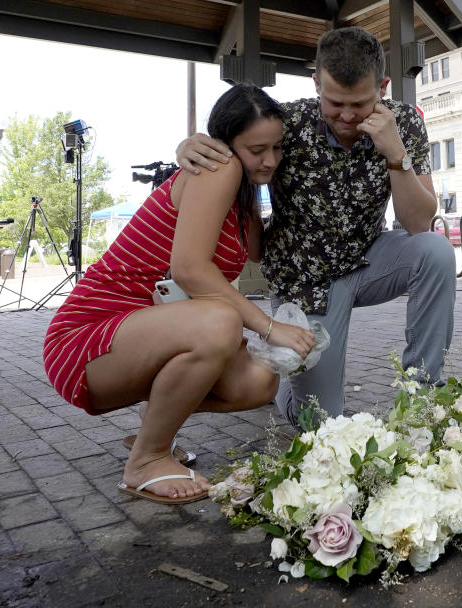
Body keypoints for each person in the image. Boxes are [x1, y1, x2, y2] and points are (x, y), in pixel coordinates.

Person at [42, 84, 316, 504]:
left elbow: (260, 251)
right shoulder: (218, 168)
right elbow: (190, 269)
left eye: (278, 147)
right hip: (87, 337)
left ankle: (153, 424)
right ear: (224, 145)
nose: (271, 160)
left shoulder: (244, 196)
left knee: (260, 380)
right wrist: (268, 326)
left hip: (145, 334)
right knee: (220, 322)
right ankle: (147, 460)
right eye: (257, 149)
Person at [177, 26, 455, 427]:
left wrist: (396, 155)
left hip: (369, 259)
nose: (345, 116)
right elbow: (235, 142)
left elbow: (418, 223)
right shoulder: (286, 125)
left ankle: (424, 394)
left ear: (383, 86)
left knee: (436, 251)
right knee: (320, 422)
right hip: (304, 279)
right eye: (334, 101)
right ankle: (285, 387)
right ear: (315, 83)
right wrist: (187, 145)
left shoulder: (405, 123)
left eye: (358, 104)